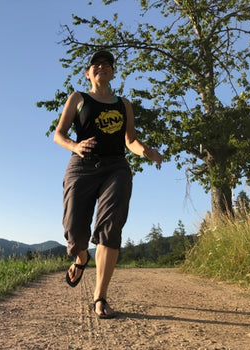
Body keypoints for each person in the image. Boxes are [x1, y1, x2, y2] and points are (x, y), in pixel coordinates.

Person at [54, 50, 162, 319]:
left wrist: (146, 151)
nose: (102, 66)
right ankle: (81, 258)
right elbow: (59, 134)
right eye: (96, 64)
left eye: (107, 64)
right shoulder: (78, 98)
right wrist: (76, 146)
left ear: (113, 73)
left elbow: (130, 140)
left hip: (116, 167)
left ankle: (100, 296)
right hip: (82, 165)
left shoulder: (123, 104)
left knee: (110, 226)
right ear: (88, 73)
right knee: (74, 229)